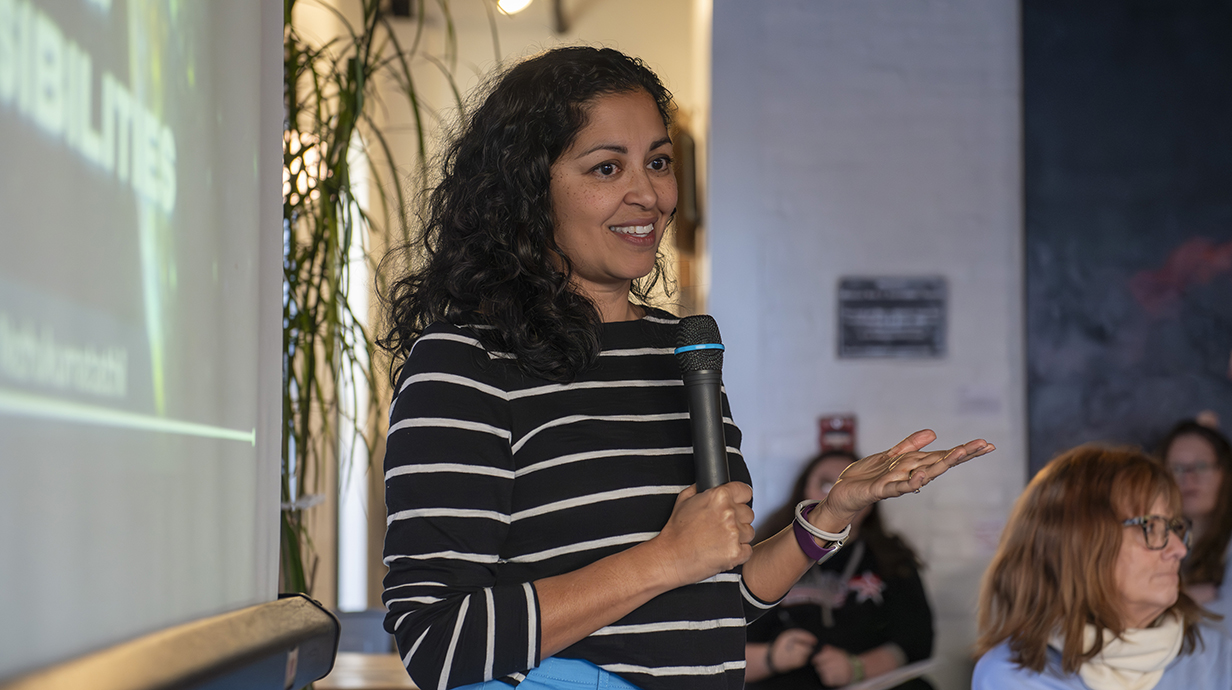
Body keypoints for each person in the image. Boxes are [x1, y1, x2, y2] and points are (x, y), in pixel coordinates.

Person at [377, 45, 993, 690]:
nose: (647, 194)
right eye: (607, 167)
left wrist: (832, 514)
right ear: (529, 189)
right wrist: (666, 558)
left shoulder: (682, 349)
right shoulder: (465, 363)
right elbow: (437, 642)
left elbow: (717, 607)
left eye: (659, 162)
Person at [973, 445, 1232, 689]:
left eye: (1173, 528)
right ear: (1079, 543)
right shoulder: (1013, 676)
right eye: (1150, 527)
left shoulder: (1217, 657)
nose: (1179, 550)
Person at [745, 450, 935, 690]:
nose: (836, 495)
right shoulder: (765, 549)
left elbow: (916, 642)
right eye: (825, 484)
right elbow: (722, 644)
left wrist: (857, 668)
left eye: (851, 484)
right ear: (804, 490)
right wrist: (771, 657)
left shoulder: (891, 556)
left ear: (872, 496)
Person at [1160, 420, 1232, 626]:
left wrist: (1165, 600)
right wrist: (1188, 596)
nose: (1188, 478)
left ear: (1225, 473)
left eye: (1201, 466)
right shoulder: (1149, 537)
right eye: (1177, 468)